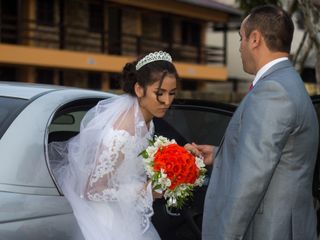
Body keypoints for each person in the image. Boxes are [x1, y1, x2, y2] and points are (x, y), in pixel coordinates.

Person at [188, 5, 319, 240]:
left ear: (255, 39)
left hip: (266, 230)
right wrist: (219, 156)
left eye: (241, 38)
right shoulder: (288, 81)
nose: (240, 47)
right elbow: (273, 157)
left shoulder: (273, 90)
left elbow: (251, 180)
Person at [49, 51, 178, 240]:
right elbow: (92, 190)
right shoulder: (120, 135)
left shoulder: (147, 121)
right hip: (109, 222)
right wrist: (143, 190)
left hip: (127, 215)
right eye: (159, 93)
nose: (167, 101)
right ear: (139, 89)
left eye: (172, 93)